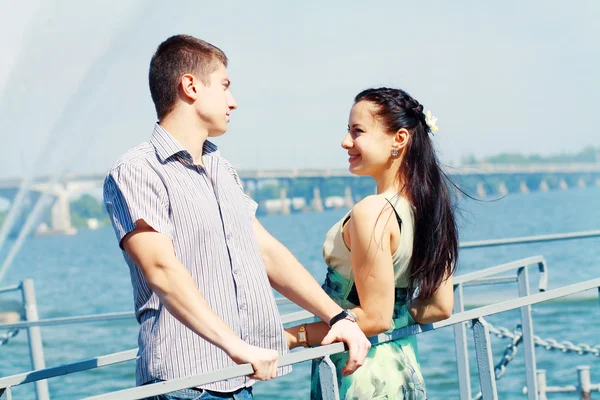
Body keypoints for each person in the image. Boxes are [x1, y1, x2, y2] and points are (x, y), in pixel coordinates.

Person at [103, 34, 370, 400]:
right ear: (190, 86)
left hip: (238, 380)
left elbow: (265, 252)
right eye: (225, 86)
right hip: (184, 387)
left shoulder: (221, 169)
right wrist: (236, 345)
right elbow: (160, 269)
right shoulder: (138, 170)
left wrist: (339, 318)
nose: (234, 102)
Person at [285, 87, 458, 399]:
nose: (346, 142)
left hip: (361, 376)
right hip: (404, 369)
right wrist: (396, 313)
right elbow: (439, 306)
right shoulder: (430, 206)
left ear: (399, 139)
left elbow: (375, 318)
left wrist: (291, 336)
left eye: (357, 131)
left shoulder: (371, 212)